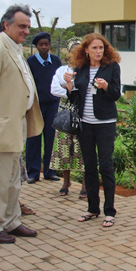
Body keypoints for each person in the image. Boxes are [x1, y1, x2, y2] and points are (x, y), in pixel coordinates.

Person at [0, 4, 43, 244]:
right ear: (6, 25)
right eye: (21, 26)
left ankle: (11, 221)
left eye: (28, 26)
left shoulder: (15, 48)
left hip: (15, 125)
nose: (26, 31)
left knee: (13, 180)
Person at [64, 33, 121, 228]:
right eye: (94, 48)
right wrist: (69, 85)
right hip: (85, 123)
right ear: (86, 50)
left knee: (105, 166)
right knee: (89, 167)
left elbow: (116, 95)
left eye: (101, 48)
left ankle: (110, 211)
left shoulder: (112, 67)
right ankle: (92, 208)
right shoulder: (80, 68)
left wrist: (106, 87)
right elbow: (75, 99)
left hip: (105, 123)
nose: (98, 51)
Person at [50, 39, 86, 197]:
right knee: (64, 146)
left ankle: (85, 184)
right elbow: (53, 89)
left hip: (82, 112)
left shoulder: (86, 69)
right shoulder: (62, 70)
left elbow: (84, 89)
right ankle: (66, 182)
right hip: (65, 113)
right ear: (69, 53)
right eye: (74, 50)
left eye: (80, 50)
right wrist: (70, 90)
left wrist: (68, 86)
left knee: (83, 147)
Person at [25, 32, 62, 183]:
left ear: (50, 45)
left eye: (46, 44)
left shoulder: (56, 61)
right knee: (34, 137)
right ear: (36, 46)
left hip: (53, 104)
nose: (44, 47)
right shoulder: (30, 62)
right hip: (36, 105)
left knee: (51, 137)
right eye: (41, 45)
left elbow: (60, 80)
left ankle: (50, 171)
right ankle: (33, 173)